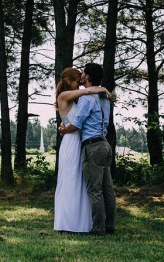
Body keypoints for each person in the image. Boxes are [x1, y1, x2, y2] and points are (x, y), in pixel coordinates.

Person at [59, 62, 116, 235]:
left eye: (83, 73)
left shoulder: (86, 99)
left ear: (88, 77)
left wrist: (64, 128)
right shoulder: (105, 99)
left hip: (92, 146)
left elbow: (76, 123)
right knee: (108, 189)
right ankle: (110, 225)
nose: (81, 76)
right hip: (105, 144)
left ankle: (98, 228)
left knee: (95, 190)